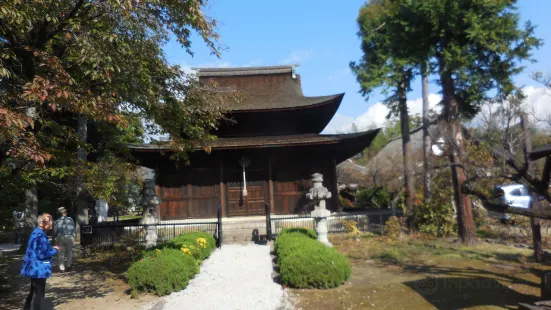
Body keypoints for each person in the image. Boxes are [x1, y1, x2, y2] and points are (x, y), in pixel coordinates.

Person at [20, 213, 60, 310]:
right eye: (49, 222)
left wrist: (51, 247)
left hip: (35, 267)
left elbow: (42, 248)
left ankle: (27, 308)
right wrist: (55, 250)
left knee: (34, 291)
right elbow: (42, 254)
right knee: (38, 293)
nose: (51, 224)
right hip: (38, 268)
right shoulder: (40, 236)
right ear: (42, 223)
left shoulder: (37, 233)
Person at [53, 207, 76, 272]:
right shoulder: (70, 219)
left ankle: (62, 268)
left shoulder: (57, 221)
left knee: (61, 252)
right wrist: (74, 236)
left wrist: (54, 238)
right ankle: (68, 266)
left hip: (60, 237)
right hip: (69, 236)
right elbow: (73, 228)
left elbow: (55, 231)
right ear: (65, 213)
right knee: (69, 252)